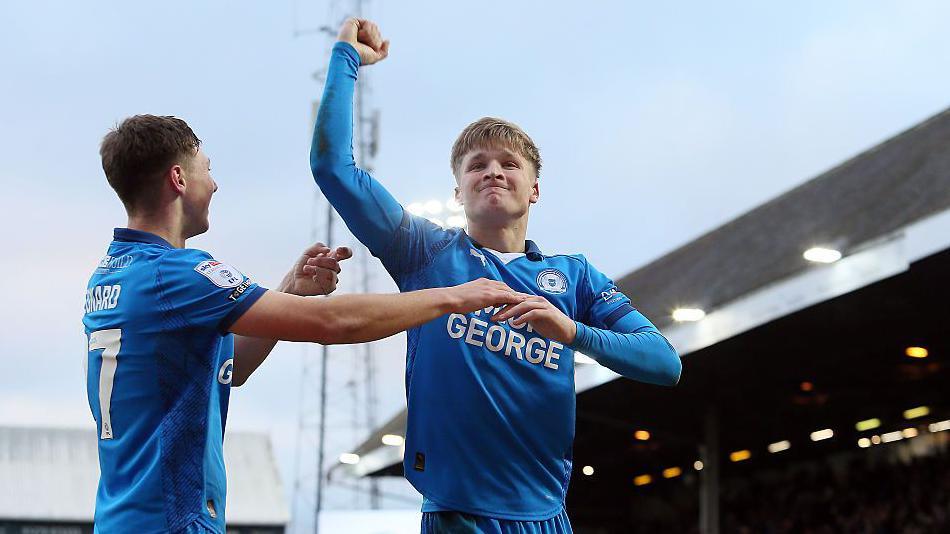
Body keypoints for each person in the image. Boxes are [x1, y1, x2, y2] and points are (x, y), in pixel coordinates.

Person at [310, 19, 683, 533]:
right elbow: (334, 169)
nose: (493, 171)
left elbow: (664, 362)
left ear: (534, 190)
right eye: (476, 164)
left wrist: (572, 331)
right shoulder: (425, 252)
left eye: (509, 163)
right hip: (457, 513)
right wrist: (346, 60)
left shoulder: (573, 277)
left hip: (546, 515)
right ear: (459, 191)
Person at [84, 114, 525, 533]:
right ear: (179, 180)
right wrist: (454, 295)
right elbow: (333, 323)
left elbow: (229, 368)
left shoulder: (113, 273)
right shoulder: (179, 275)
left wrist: (288, 291)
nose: (215, 184)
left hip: (125, 514)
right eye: (207, 169)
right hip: (171, 519)